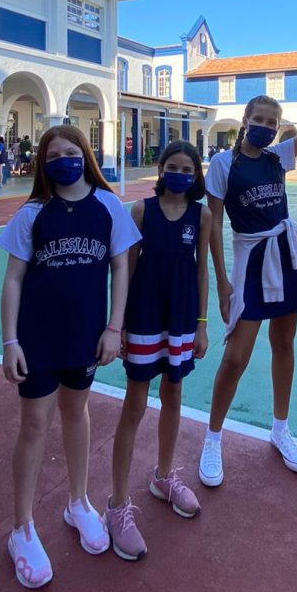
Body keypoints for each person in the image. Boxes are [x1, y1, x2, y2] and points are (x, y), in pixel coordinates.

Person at [0, 125, 140, 587]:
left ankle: (78, 502)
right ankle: (21, 527)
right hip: (37, 338)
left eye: (71, 152)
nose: (64, 160)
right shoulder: (33, 213)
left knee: (76, 412)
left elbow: (121, 268)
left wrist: (114, 328)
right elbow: (13, 278)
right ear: (44, 163)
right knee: (34, 425)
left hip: (86, 336)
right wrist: (10, 341)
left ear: (86, 154)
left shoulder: (108, 206)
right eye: (54, 154)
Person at [197, 59, 297, 489]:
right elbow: (213, 225)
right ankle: (212, 438)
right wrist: (222, 282)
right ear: (245, 121)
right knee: (236, 357)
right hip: (251, 259)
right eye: (258, 119)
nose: (264, 126)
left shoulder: (279, 156)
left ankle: (280, 429)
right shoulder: (224, 164)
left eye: (271, 122)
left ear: (277, 128)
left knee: (284, 342)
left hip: (285, 254)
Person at [106, 141, 211, 560]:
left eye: (188, 168)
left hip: (181, 317)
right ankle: (117, 504)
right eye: (173, 167)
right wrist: (118, 323)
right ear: (161, 169)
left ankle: (163, 477)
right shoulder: (141, 211)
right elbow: (126, 268)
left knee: (174, 395)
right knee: (135, 404)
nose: (180, 174)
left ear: (196, 174)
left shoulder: (201, 215)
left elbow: (202, 271)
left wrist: (202, 324)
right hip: (145, 316)